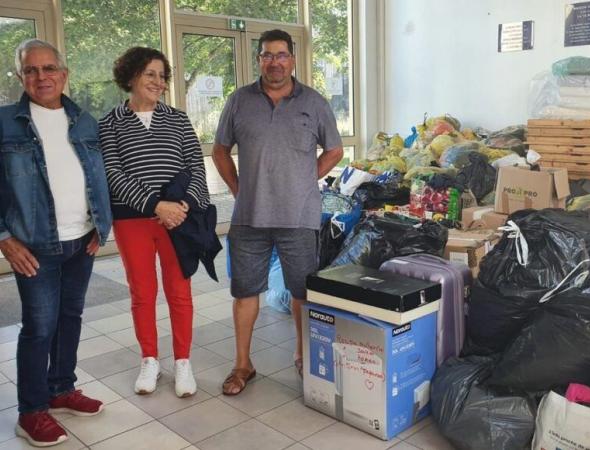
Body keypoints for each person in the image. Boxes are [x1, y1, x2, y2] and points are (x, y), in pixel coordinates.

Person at [212, 29, 343, 395]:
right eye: (267, 55)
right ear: (259, 60)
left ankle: (301, 358)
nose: (275, 62)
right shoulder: (239, 101)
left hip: (298, 217)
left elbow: (334, 150)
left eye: (281, 55)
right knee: (245, 292)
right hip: (249, 217)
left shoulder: (314, 102)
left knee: (301, 292)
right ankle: (243, 364)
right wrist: (239, 189)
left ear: (293, 59)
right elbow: (220, 150)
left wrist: (305, 179)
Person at [0, 39, 112, 447]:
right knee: (39, 328)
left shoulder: (84, 121)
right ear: (20, 77)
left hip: (81, 240)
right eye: (31, 70)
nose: (41, 77)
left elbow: (98, 174)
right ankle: (31, 411)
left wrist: (103, 224)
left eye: (49, 69)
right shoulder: (4, 123)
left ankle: (61, 388)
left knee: (70, 318)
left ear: (64, 75)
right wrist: (4, 239)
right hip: (35, 246)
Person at [98, 47, 211, 398]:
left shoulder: (178, 119)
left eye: (162, 76)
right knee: (142, 294)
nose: (158, 82)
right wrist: (153, 205)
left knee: (180, 292)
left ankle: (182, 362)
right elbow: (112, 174)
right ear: (131, 76)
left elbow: (196, 168)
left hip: (177, 220)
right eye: (150, 74)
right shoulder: (109, 123)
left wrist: (182, 206)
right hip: (133, 222)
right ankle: (149, 359)